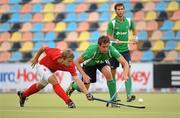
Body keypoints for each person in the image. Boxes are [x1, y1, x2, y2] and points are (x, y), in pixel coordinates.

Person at [17, 46, 94, 108]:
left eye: (71, 61)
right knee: (54, 80)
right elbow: (43, 48)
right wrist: (36, 58)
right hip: (42, 66)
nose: (71, 63)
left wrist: (87, 93)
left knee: (40, 86)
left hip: (50, 71)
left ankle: (23, 95)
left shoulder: (71, 65)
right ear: (62, 58)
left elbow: (77, 79)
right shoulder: (55, 53)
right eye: (69, 61)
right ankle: (68, 102)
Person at [66, 35, 129, 107]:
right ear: (99, 45)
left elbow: (125, 62)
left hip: (102, 62)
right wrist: (84, 74)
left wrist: (125, 73)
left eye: (107, 46)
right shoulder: (91, 50)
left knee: (108, 73)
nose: (105, 49)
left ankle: (113, 101)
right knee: (85, 88)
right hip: (89, 64)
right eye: (103, 47)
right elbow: (76, 62)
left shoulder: (111, 49)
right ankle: (73, 85)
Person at [107, 3, 138, 102]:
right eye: (118, 9)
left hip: (125, 51)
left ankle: (129, 95)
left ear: (124, 10)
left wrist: (135, 38)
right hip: (113, 51)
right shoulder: (112, 23)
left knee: (127, 72)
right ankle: (114, 97)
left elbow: (134, 30)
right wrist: (114, 39)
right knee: (112, 74)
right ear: (115, 11)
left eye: (122, 9)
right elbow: (108, 36)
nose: (120, 11)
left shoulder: (129, 21)